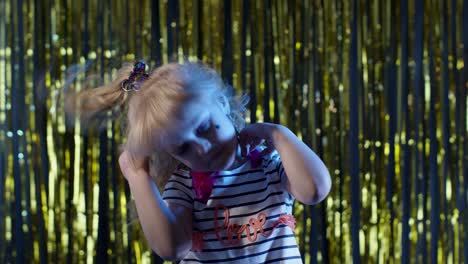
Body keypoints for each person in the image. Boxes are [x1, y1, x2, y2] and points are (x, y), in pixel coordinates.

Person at [67, 60, 331, 263]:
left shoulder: (267, 164)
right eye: (183, 147)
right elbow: (172, 247)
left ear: (222, 104)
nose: (202, 148)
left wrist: (277, 134)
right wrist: (137, 176)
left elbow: (314, 190)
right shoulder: (185, 186)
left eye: (204, 127)